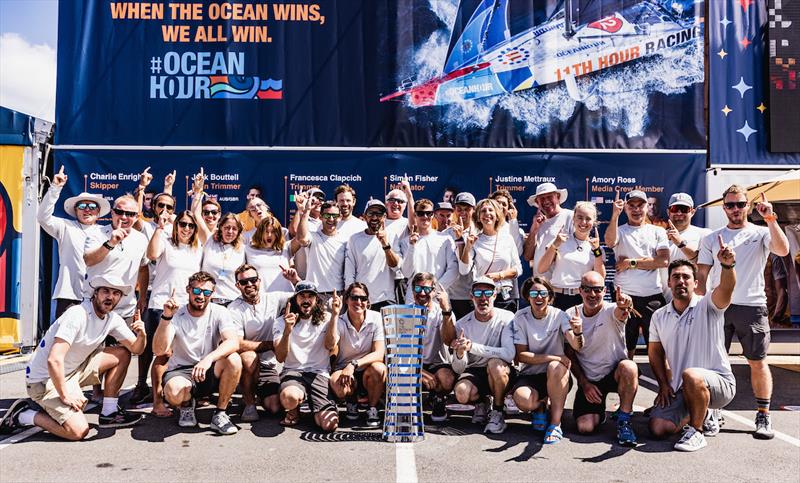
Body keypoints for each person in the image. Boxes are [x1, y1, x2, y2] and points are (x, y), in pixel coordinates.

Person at [0, 276, 146, 440]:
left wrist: (141, 335)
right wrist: (65, 396)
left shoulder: (112, 319)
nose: (110, 297)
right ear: (95, 294)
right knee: (78, 431)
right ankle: (24, 414)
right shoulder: (77, 315)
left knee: (122, 353)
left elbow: (136, 349)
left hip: (74, 370)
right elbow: (54, 359)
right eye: (105, 291)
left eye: (116, 293)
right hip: (43, 381)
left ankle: (109, 412)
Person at [697, 188, 790, 439]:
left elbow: (782, 250)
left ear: (748, 206)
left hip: (752, 306)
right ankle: (714, 412)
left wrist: (771, 219)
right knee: (713, 363)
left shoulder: (760, 233)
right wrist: (699, 303)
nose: (735, 209)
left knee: (757, 362)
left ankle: (763, 415)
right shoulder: (711, 238)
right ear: (724, 208)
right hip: (718, 306)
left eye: (740, 204)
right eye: (730, 205)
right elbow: (702, 274)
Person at [649, 246, 738, 452]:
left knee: (692, 375)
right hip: (683, 388)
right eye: (676, 277)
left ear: (695, 283)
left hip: (720, 384)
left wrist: (727, 265)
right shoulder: (659, 316)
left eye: (686, 277)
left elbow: (726, 289)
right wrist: (663, 384)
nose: (681, 281)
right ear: (669, 282)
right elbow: (654, 353)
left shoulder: (708, 305)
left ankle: (697, 432)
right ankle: (703, 412)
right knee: (658, 428)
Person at [154, 271, 242, 435]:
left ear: (212, 294)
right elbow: (158, 350)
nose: (201, 295)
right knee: (173, 392)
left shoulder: (220, 312)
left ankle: (220, 413)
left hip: (209, 369)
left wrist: (209, 359)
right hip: (181, 371)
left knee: (234, 359)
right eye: (196, 291)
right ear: (188, 289)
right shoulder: (176, 314)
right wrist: (166, 317)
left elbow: (233, 342)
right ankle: (186, 405)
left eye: (206, 292)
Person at [138, 210, 203, 416]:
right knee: (163, 354)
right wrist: (160, 227)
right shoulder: (166, 240)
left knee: (180, 353)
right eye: (182, 224)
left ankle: (177, 396)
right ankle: (157, 402)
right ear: (176, 226)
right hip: (162, 305)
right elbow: (152, 255)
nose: (186, 228)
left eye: (191, 225)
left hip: (187, 307)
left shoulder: (198, 248)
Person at [565, 271, 639, 447]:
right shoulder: (570, 314)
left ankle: (624, 419)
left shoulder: (611, 309)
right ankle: (602, 414)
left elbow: (621, 312)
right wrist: (584, 383)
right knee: (585, 427)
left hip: (615, 374)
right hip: (590, 380)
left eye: (597, 290)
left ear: (605, 291)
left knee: (629, 367)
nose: (592, 294)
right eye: (587, 289)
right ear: (579, 290)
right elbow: (570, 353)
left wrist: (625, 305)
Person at [511, 277, 583, 444]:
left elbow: (576, 345)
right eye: (534, 293)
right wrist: (555, 356)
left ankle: (555, 424)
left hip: (557, 375)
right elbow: (521, 355)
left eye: (543, 293)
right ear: (527, 296)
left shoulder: (560, 315)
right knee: (522, 399)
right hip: (531, 375)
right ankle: (541, 404)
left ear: (550, 297)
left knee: (555, 366)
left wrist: (578, 332)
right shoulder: (520, 317)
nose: (539, 297)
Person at [441, 276, 515, 434]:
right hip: (476, 371)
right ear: (471, 296)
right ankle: (482, 401)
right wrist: (460, 354)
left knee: (495, 364)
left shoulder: (507, 317)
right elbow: (459, 369)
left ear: (495, 295)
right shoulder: (462, 324)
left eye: (487, 292)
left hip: (501, 369)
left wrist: (473, 347)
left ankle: (498, 411)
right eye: (478, 293)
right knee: (461, 393)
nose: (483, 298)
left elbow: (509, 354)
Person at [37, 165, 109, 318]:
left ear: (98, 212)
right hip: (69, 294)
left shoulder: (106, 232)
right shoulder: (65, 226)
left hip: (98, 297)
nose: (87, 209)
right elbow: (42, 217)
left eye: (92, 206)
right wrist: (55, 187)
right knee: (64, 339)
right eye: (82, 206)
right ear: (75, 210)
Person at [605, 189, 669, 359]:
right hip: (624, 296)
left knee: (657, 347)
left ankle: (663, 385)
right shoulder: (620, 230)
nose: (636, 210)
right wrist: (614, 215)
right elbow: (610, 241)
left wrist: (630, 263)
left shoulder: (658, 231)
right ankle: (628, 381)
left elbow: (662, 261)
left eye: (640, 205)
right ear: (625, 208)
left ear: (647, 207)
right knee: (626, 348)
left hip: (652, 296)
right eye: (631, 206)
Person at [228, 264, 294, 421]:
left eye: (253, 280)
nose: (249, 285)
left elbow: (304, 295)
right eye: (244, 282)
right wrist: (271, 345)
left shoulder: (273, 298)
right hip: (245, 366)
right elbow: (237, 343)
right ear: (238, 286)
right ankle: (249, 403)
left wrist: (295, 280)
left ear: (259, 281)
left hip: (267, 366)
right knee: (250, 357)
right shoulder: (233, 309)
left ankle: (258, 395)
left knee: (276, 407)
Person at [273, 281, 339, 432]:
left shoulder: (328, 318)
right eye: (302, 296)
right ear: (295, 299)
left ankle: (314, 407)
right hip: (293, 371)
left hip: (319, 373)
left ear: (316, 300)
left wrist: (335, 315)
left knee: (329, 425)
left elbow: (330, 345)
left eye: (311, 296)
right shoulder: (281, 321)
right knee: (290, 398)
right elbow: (280, 357)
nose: (306, 300)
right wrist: (287, 331)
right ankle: (293, 409)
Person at [327, 283, 387, 427]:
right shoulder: (340, 320)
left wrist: (354, 364)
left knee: (379, 368)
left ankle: (372, 409)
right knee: (336, 383)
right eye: (354, 297)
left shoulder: (377, 318)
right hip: (345, 371)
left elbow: (379, 353)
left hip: (367, 369)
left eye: (363, 298)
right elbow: (329, 344)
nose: (359, 302)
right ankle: (351, 401)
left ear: (368, 301)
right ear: (346, 300)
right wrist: (334, 315)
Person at [84, 194, 149, 320]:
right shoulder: (96, 233)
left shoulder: (141, 239)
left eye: (130, 214)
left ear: (137, 217)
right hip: (96, 308)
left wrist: (142, 297)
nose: (124, 217)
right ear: (112, 213)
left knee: (129, 341)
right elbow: (89, 260)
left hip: (126, 311)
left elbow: (143, 269)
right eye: (119, 212)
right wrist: (110, 243)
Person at [537, 201, 605, 310]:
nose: (583, 222)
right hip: (557, 297)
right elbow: (541, 268)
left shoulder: (596, 248)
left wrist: (597, 250)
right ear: (573, 219)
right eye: (579, 217)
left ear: (594, 222)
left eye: (588, 219)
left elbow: (600, 277)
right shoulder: (560, 240)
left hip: (582, 299)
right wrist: (555, 244)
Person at [459, 198, 521, 312]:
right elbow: (463, 270)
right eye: (483, 211)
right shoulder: (474, 240)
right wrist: (467, 247)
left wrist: (498, 275)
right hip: (482, 297)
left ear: (497, 216)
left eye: (490, 210)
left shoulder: (507, 238)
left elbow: (518, 269)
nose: (487, 213)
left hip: (504, 297)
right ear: (478, 217)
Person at [409, 272, 455, 422]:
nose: (422, 293)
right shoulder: (403, 313)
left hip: (436, 363)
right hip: (411, 363)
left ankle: (438, 398)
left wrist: (446, 311)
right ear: (412, 290)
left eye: (427, 289)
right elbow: (396, 351)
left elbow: (449, 341)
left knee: (447, 379)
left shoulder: (443, 311)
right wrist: (418, 371)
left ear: (434, 291)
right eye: (418, 289)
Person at [345, 200, 403, 310]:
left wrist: (385, 245)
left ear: (385, 216)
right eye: (371, 214)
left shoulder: (392, 236)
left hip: (386, 300)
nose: (375, 218)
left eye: (379, 214)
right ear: (365, 216)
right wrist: (350, 297)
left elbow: (396, 267)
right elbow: (349, 272)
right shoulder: (354, 239)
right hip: (361, 300)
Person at [400, 199, 458, 302]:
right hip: (413, 298)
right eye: (421, 213)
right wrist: (412, 246)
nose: (425, 217)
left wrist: (433, 290)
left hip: (438, 298)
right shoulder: (405, 242)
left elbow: (453, 270)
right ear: (415, 215)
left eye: (428, 213)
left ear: (433, 215)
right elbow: (407, 273)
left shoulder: (446, 239)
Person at [292, 199, 347, 302]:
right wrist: (306, 211)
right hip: (315, 295)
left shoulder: (345, 241)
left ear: (340, 217)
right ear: (321, 217)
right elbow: (301, 238)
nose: (331, 219)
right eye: (327, 216)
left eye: (335, 216)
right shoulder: (313, 236)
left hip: (338, 296)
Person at [661, 193, 711, 301]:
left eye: (684, 209)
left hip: (696, 305)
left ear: (692, 212)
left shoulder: (705, 235)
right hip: (666, 303)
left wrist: (680, 243)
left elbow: (704, 265)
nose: (679, 212)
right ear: (668, 212)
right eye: (675, 209)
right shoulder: (659, 236)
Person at [522, 182, 574, 278]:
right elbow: (527, 256)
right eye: (542, 198)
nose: (546, 201)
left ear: (557, 197)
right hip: (541, 287)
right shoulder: (539, 223)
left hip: (560, 286)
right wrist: (534, 230)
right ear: (537, 203)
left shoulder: (570, 217)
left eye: (550, 197)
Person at [201, 213, 247, 306]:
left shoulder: (244, 250)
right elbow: (197, 217)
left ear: (239, 231)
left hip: (234, 303)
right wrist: (197, 198)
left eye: (234, 229)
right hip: (209, 301)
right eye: (227, 227)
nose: (230, 231)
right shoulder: (209, 241)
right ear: (221, 227)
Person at [445, 192, 477, 318]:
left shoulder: (479, 233)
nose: (462, 212)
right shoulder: (445, 234)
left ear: (473, 210)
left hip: (472, 296)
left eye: (467, 209)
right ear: (454, 210)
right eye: (459, 209)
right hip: (451, 296)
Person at [246, 215, 295, 293]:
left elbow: (301, 238)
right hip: (261, 299)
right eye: (266, 231)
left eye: (273, 232)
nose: (269, 235)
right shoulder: (248, 249)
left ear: (278, 234)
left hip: (286, 297)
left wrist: (303, 212)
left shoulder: (286, 247)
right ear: (260, 233)